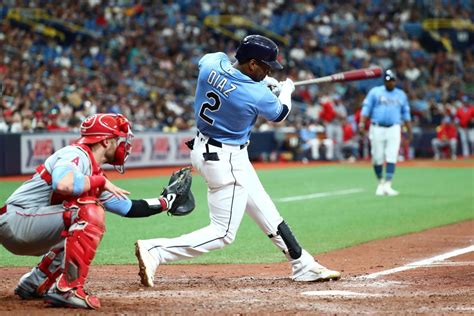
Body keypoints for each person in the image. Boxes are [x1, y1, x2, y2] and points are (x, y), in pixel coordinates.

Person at [135, 34, 341, 287]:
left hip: (209, 148)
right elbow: (280, 113)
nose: (268, 70)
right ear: (252, 64)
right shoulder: (256, 94)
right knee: (222, 233)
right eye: (265, 66)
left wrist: (262, 81)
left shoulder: (213, 63)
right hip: (225, 158)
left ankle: (303, 264)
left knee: (265, 208)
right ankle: (157, 250)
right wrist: (285, 90)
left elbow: (215, 66)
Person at [0, 113, 193, 310]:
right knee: (89, 211)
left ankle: (35, 282)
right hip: (16, 221)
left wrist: (166, 202)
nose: (123, 145)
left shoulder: (91, 173)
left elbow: (127, 208)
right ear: (106, 141)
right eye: (118, 139)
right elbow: (63, 184)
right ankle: (67, 289)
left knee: (85, 214)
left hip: (30, 225)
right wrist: (99, 182)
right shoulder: (76, 154)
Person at [358, 70, 412, 196]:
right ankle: (380, 182)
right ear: (384, 81)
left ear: (395, 81)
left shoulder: (401, 95)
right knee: (377, 157)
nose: (390, 83)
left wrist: (409, 131)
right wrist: (361, 124)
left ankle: (388, 184)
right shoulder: (375, 92)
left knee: (391, 155)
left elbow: (406, 114)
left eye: (392, 80)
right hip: (377, 127)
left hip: (394, 127)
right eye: (387, 80)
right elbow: (366, 109)